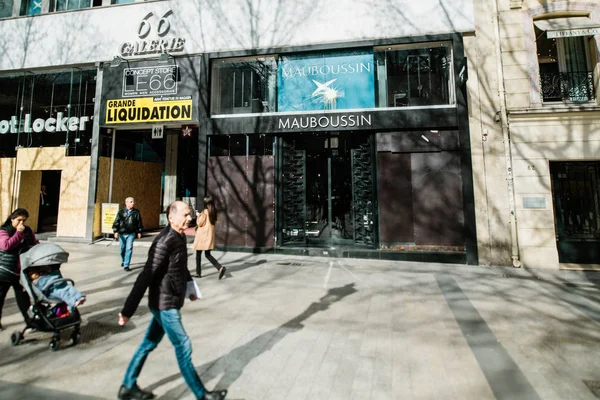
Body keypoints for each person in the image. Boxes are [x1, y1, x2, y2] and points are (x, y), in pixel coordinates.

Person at [117, 201, 227, 400]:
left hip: (169, 300)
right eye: (185, 215)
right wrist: (128, 310)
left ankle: (128, 386)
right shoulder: (165, 240)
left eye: (189, 214)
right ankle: (202, 395)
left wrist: (190, 288)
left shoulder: (179, 237)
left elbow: (180, 266)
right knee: (183, 345)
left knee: (148, 344)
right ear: (171, 218)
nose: (189, 218)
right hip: (164, 303)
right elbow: (146, 274)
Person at [0, 208, 38, 330]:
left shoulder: (27, 231)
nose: (21, 223)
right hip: (4, 272)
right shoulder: (4, 231)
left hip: (20, 272)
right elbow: (6, 246)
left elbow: (34, 243)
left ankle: (30, 322)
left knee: (24, 300)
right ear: (12, 219)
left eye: (24, 220)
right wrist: (18, 234)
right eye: (19, 220)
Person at [193, 196, 225, 279]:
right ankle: (220, 268)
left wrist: (198, 215)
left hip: (202, 236)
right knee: (208, 254)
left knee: (198, 254)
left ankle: (198, 273)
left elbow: (199, 223)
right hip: (209, 236)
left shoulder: (204, 212)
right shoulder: (213, 212)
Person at [112, 197, 143, 272]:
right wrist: (115, 231)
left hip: (131, 233)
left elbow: (139, 222)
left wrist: (139, 231)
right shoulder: (121, 212)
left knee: (129, 248)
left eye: (133, 202)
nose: (133, 203)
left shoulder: (136, 212)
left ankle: (126, 265)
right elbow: (116, 222)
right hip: (122, 233)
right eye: (131, 202)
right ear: (126, 203)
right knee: (122, 249)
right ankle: (123, 260)